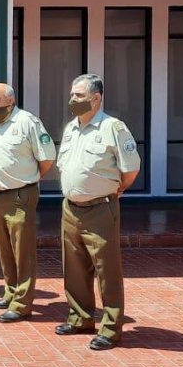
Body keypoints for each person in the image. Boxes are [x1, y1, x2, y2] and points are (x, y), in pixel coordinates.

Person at [55, 73, 139, 351]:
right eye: (72, 95)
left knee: (107, 269)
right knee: (75, 267)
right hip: (71, 208)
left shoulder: (113, 128)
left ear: (96, 98)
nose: (73, 100)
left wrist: (115, 190)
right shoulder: (71, 128)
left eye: (79, 96)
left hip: (100, 209)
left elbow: (131, 169)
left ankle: (111, 327)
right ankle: (80, 318)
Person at [0, 83, 56, 322]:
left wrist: (28, 180)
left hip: (19, 195)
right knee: (4, 249)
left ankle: (22, 303)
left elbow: (47, 158)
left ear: (11, 101)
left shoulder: (27, 122)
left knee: (22, 251)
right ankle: (10, 291)